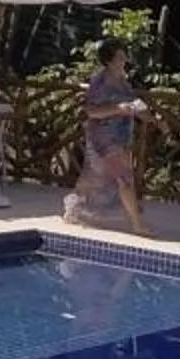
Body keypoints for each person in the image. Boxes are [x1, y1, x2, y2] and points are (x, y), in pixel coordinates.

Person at [64, 40, 150, 233]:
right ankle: (137, 224)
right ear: (109, 61)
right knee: (124, 178)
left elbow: (132, 102)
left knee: (95, 178)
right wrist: (118, 109)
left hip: (120, 137)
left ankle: (75, 208)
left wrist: (149, 116)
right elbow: (91, 111)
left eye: (124, 56)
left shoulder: (122, 81)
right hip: (104, 138)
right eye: (120, 57)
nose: (124, 60)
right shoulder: (99, 82)